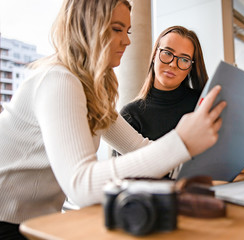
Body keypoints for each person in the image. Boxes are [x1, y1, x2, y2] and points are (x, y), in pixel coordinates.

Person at [0, 0, 226, 238]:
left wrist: (205, 168)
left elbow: (139, 148)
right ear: (87, 27)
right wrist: (181, 141)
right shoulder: (58, 80)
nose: (127, 40)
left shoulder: (91, 90)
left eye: (127, 31)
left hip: (39, 222)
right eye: (117, 29)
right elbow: (81, 184)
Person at [118, 25, 244, 175]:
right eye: (167, 53)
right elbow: (124, 176)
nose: (173, 63)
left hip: (215, 194)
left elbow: (232, 159)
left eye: (184, 59)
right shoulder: (131, 115)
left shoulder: (205, 105)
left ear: (190, 67)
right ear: (155, 54)